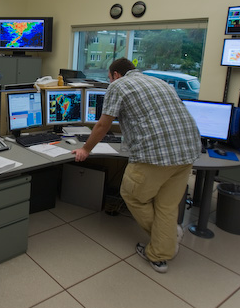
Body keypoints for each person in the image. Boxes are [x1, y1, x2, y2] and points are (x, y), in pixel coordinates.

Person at [71, 58, 200, 273]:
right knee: (167, 207)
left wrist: (86, 149)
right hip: (188, 152)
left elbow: (103, 124)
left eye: (109, 77)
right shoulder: (159, 82)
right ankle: (161, 253)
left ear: (115, 75)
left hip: (155, 155)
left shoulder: (118, 86)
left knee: (132, 196)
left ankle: (164, 243)